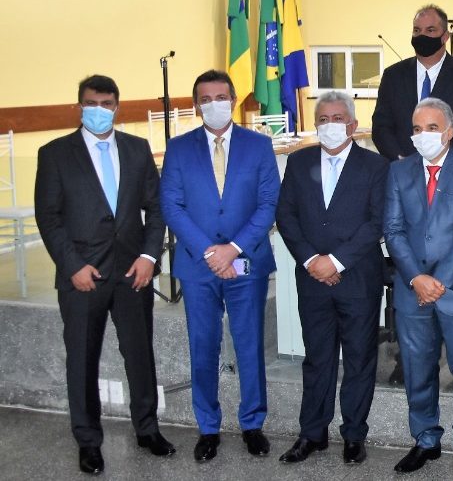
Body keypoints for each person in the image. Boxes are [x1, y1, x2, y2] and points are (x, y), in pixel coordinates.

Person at [34, 75, 173, 475]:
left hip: (133, 272)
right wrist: (72, 266)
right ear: (80, 106)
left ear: (117, 107)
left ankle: (147, 429)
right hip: (83, 276)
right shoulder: (55, 154)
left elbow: (156, 208)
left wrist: (149, 256)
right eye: (91, 103)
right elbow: (49, 217)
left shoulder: (136, 149)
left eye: (107, 103)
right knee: (82, 359)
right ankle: (88, 441)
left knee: (140, 355)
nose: (99, 110)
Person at [159, 69, 279, 462]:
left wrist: (234, 249)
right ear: (197, 106)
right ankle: (208, 427)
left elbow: (268, 204)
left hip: (247, 262)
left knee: (249, 345)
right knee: (203, 346)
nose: (214, 104)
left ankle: (252, 423)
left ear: (233, 99)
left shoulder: (259, 146)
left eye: (221, 97)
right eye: (206, 99)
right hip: (199, 266)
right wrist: (211, 253)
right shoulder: (178, 149)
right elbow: (172, 206)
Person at [274, 91, 389, 465]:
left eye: (338, 119)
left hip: (358, 278)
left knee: (359, 359)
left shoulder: (375, 166)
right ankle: (312, 433)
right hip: (311, 278)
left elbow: (377, 222)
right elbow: (286, 215)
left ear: (353, 125)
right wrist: (312, 260)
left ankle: (354, 434)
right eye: (323, 119)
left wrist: (336, 262)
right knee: (317, 358)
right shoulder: (299, 161)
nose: (330, 125)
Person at [383, 97, 453, 476]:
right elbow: (393, 229)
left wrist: (439, 282)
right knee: (417, 369)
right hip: (412, 288)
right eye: (417, 129)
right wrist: (416, 278)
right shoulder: (399, 172)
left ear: (449, 132)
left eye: (431, 128)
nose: (423, 135)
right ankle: (425, 439)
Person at [373, 4, 453, 160]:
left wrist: (438, 163)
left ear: (445, 37)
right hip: (402, 167)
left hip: (452, 168)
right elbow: (381, 127)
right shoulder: (393, 76)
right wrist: (401, 161)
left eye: (430, 30)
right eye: (417, 30)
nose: (422, 36)